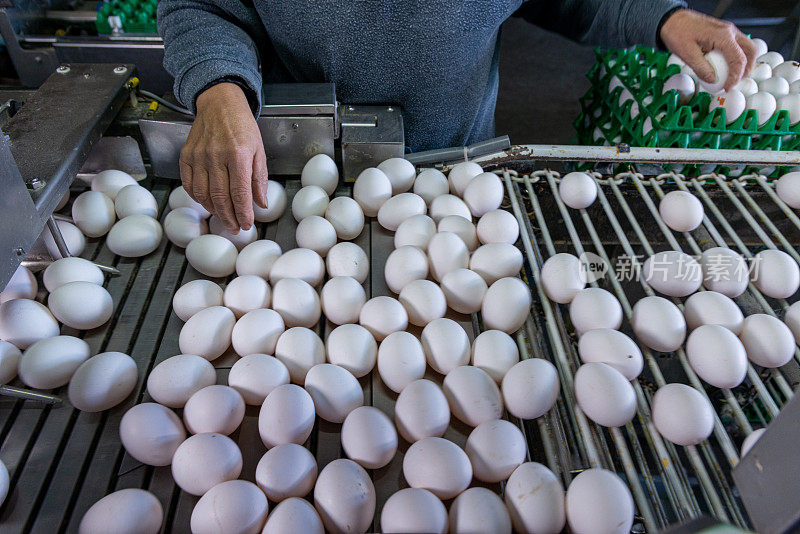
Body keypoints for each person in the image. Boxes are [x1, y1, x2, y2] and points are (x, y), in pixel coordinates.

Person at [158, 1, 757, 233]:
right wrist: (219, 89)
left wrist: (663, 17)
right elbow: (198, 5)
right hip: (297, 177)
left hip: (457, 177)